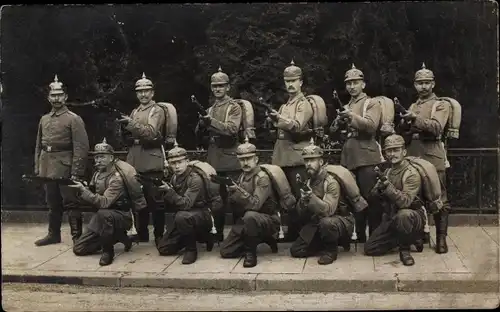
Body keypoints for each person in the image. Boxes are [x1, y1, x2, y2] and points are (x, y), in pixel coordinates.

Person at [71, 138, 147, 266]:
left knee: (104, 213)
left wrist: (84, 191)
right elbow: (94, 194)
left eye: (102, 157)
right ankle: (121, 238)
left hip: (121, 215)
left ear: (111, 158)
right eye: (96, 157)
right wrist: (83, 189)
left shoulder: (116, 177)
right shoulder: (97, 174)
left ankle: (108, 252)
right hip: (103, 216)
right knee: (79, 249)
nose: (98, 160)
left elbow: (105, 202)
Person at [400, 63, 451, 254]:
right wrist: (404, 123)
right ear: (414, 85)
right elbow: (408, 131)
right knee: (416, 197)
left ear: (433, 84)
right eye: (420, 83)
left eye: (427, 83)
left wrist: (414, 119)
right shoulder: (414, 105)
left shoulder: (441, 105)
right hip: (414, 153)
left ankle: (441, 239)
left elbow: (437, 127)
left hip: (432, 154)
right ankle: (419, 236)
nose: (423, 86)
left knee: (439, 198)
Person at [33, 75, 90, 246]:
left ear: (65, 97)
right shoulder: (44, 119)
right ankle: (53, 234)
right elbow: (38, 145)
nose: (56, 98)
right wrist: (38, 167)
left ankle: (77, 237)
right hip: (48, 167)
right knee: (53, 203)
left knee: (72, 203)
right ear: (48, 97)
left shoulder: (73, 119)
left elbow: (81, 147)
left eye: (59, 95)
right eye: (53, 95)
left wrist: (77, 171)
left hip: (66, 167)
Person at [332, 64, 384, 243]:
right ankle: (359, 235)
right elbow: (334, 131)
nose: (352, 86)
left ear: (363, 84)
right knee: (353, 197)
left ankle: (375, 236)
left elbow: (371, 126)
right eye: (348, 83)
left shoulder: (372, 103)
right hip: (349, 156)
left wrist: (350, 117)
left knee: (371, 197)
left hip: (367, 156)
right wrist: (338, 123)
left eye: (355, 82)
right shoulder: (346, 105)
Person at [117, 73, 168, 245]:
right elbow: (132, 135)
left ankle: (159, 235)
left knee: (156, 201)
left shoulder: (157, 110)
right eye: (140, 91)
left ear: (152, 93)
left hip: (152, 160)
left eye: (146, 91)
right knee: (139, 199)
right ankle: (142, 233)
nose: (143, 95)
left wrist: (130, 124)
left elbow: (151, 132)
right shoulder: (135, 111)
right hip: (135, 160)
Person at [195, 67, 242, 242]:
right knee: (216, 199)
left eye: (221, 86)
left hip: (230, 158)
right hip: (214, 158)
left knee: (236, 198)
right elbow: (200, 135)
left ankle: (239, 234)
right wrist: (201, 125)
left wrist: (210, 122)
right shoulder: (209, 109)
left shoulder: (234, 107)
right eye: (214, 86)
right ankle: (218, 233)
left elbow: (231, 129)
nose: (217, 89)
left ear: (228, 87)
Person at [364, 135, 426, 266]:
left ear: (404, 152)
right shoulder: (387, 172)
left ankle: (405, 250)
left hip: (412, 216)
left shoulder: (411, 173)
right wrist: (379, 189)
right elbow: (373, 196)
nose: (392, 154)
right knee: (370, 248)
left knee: (404, 215)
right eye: (389, 151)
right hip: (392, 217)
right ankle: (410, 238)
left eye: (396, 150)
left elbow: (405, 202)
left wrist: (387, 187)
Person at [289, 139, 354, 265]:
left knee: (327, 223)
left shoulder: (330, 182)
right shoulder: (308, 182)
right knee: (296, 250)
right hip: (318, 222)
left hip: (340, 219)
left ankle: (331, 251)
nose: (309, 164)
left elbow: (328, 211)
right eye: (306, 160)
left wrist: (310, 197)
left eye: (312, 160)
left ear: (321, 162)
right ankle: (324, 243)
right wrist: (303, 201)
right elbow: (300, 213)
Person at [268, 60, 313, 242]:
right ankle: (292, 232)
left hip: (296, 157)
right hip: (282, 155)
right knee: (287, 197)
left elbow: (296, 125)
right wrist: (273, 120)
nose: (290, 84)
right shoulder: (285, 105)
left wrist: (278, 119)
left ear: (301, 82)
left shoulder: (304, 104)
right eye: (287, 81)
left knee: (299, 196)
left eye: (294, 80)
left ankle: (304, 234)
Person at [219, 137, 281, 268]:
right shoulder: (242, 177)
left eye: (248, 159)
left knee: (250, 216)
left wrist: (238, 191)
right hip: (249, 221)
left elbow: (256, 205)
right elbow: (236, 206)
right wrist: (231, 193)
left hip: (269, 219)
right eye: (242, 160)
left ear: (256, 159)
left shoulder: (262, 178)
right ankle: (261, 239)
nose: (245, 162)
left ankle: (251, 253)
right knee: (226, 251)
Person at [156, 141, 214, 265]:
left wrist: (170, 191)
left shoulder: (195, 178)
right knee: (164, 248)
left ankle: (191, 249)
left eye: (179, 162)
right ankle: (195, 236)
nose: (176, 166)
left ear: (187, 162)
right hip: (184, 216)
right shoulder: (175, 177)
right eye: (173, 163)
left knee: (182, 216)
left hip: (201, 214)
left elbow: (186, 204)